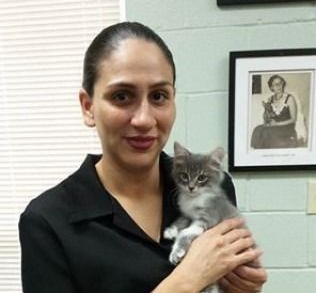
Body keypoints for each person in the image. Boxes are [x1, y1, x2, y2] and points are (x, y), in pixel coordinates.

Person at [19, 21, 267, 293]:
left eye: (159, 96)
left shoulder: (214, 187)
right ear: (88, 107)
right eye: (122, 96)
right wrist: (185, 281)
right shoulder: (47, 222)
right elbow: (191, 279)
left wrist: (241, 289)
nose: (144, 119)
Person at [251, 74, 298, 149]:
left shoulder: (290, 98)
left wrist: (277, 124)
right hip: (274, 127)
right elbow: (268, 115)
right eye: (275, 84)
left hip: (286, 128)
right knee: (258, 130)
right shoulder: (270, 99)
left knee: (266, 133)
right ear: (271, 87)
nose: (278, 85)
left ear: (283, 84)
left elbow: (293, 119)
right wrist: (267, 120)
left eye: (280, 83)